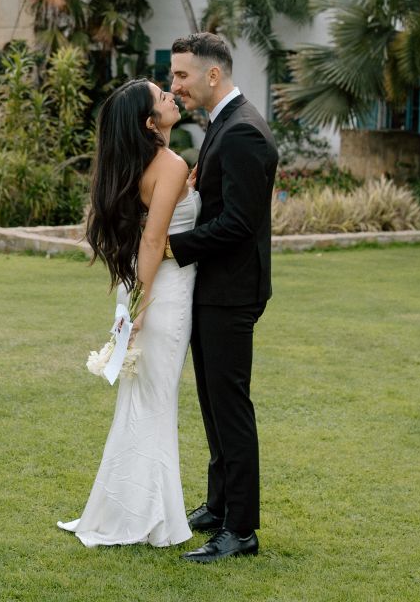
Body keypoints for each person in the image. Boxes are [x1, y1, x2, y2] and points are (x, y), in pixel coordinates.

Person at [58, 79, 199, 546]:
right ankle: (149, 517)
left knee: (142, 402)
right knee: (156, 403)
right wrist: (142, 304)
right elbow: (156, 240)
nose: (171, 97)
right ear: (149, 122)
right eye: (162, 98)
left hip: (142, 287)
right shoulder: (171, 164)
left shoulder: (149, 165)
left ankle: (137, 509)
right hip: (163, 293)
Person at [167, 32, 277, 563]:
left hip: (231, 293)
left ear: (213, 75)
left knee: (230, 407)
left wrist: (172, 247)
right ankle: (217, 505)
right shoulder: (224, 126)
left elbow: (237, 224)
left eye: (181, 75)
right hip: (214, 289)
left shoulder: (242, 133)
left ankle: (241, 530)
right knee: (212, 404)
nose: (175, 85)